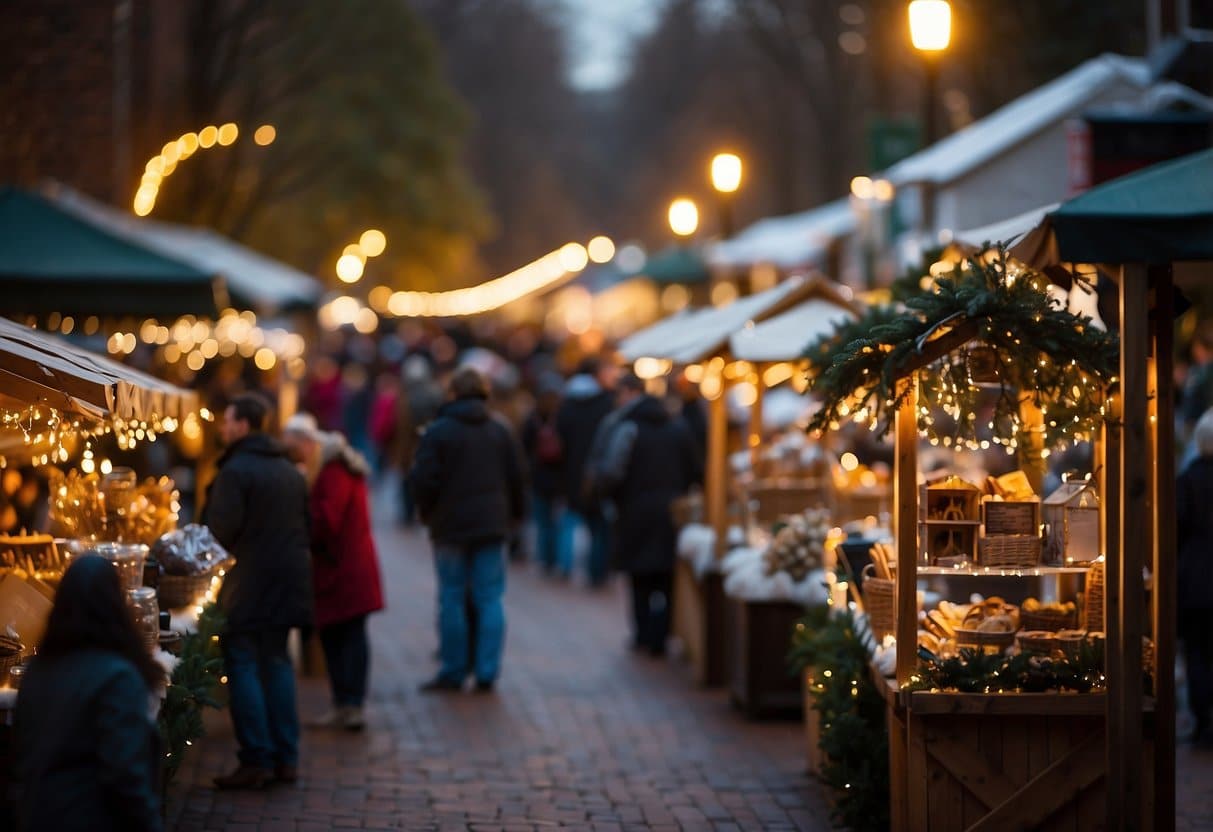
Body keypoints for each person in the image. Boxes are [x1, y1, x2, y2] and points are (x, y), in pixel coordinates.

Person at [203, 393, 313, 788]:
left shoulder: (235, 470)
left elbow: (219, 533)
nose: (222, 427)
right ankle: (286, 758)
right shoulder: (288, 468)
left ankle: (257, 758)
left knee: (243, 662)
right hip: (288, 579)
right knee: (278, 662)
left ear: (244, 425)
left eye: (228, 420)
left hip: (248, 582)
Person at [14, 554, 164, 832]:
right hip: (92, 817)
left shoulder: (39, 670)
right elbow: (125, 772)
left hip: (38, 814)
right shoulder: (118, 677)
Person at [407, 367, 526, 692]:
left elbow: (423, 479)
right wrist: (515, 518)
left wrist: (427, 512)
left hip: (450, 525)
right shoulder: (500, 430)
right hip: (492, 524)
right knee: (490, 598)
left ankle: (454, 668)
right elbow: (517, 478)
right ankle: (487, 670)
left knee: (452, 597)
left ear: (453, 393)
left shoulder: (439, 431)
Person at [283, 413, 385, 731]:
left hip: (344, 569)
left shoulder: (333, 471)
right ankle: (345, 704)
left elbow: (328, 521)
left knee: (348, 636)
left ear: (308, 444)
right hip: (341, 567)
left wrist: (299, 522)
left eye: (295, 450)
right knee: (339, 635)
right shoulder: (333, 467)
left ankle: (350, 705)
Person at [593, 374, 703, 656]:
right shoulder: (678, 428)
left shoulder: (628, 428)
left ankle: (643, 633)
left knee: (639, 577)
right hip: (671, 511)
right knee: (666, 577)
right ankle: (660, 634)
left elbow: (612, 472)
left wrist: (609, 497)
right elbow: (695, 470)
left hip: (634, 510)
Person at [555, 357, 617, 585]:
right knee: (599, 526)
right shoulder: (606, 402)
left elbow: (559, 436)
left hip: (570, 470)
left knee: (570, 520)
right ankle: (597, 572)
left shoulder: (567, 403)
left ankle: (564, 565)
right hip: (597, 472)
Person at [1178, 408, 1213, 748]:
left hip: (1196, 577)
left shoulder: (1188, 478)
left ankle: (1203, 722)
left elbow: (1178, 527)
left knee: (1198, 653)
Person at [521, 374, 565, 573]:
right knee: (557, 522)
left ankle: (544, 558)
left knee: (542, 521)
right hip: (558, 477)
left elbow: (523, 446)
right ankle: (557, 560)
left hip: (538, 476)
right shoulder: (563, 418)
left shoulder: (532, 418)